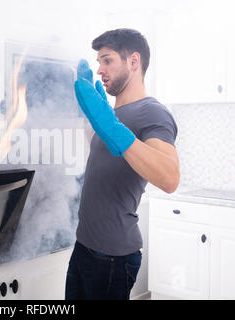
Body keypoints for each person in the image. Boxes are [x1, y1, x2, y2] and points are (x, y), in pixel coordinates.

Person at [66, 28, 180, 300]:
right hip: (84, 247)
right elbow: (108, 157)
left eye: (107, 60)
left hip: (112, 257)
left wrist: (111, 127)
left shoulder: (153, 111)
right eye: (98, 62)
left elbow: (170, 178)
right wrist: (94, 117)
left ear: (134, 61)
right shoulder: (114, 112)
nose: (100, 70)